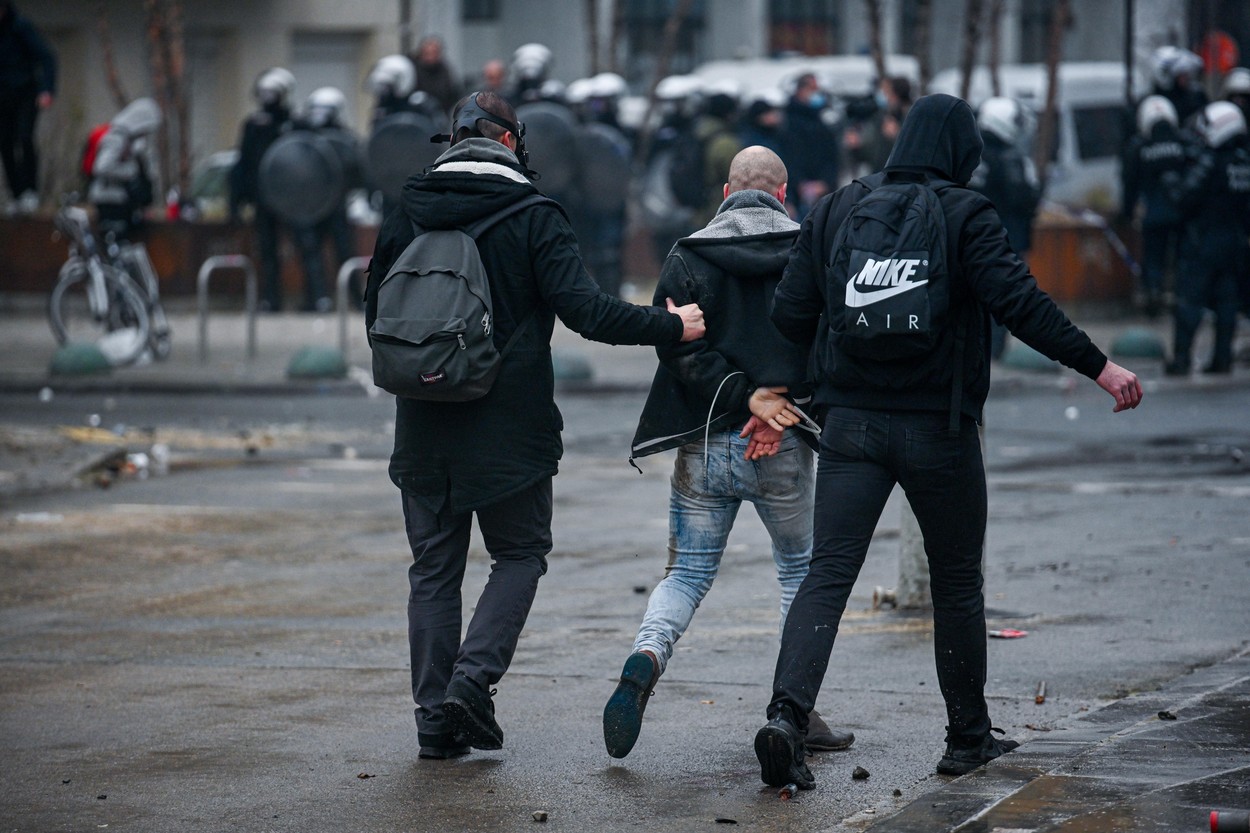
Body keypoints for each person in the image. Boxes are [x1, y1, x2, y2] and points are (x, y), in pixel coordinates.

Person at [753, 93, 1143, 790]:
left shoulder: (841, 206)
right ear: (964, 152)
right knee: (958, 581)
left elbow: (789, 309)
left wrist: (799, 381)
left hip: (850, 427)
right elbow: (1020, 304)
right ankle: (967, 738)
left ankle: (786, 718)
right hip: (942, 428)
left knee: (828, 574)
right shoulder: (968, 213)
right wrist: (1101, 366)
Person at [363, 90, 706, 760]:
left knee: (433, 569)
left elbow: (377, 310)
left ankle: (435, 721)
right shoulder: (532, 213)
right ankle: (472, 679)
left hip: (422, 423)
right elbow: (588, 312)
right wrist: (673, 324)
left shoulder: (407, 207)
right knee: (519, 553)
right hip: (508, 426)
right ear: (511, 143)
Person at [602, 146, 854, 760]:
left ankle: (645, 658)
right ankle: (795, 711)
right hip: (784, 441)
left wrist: (742, 402)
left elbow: (680, 350)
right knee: (801, 572)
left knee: (686, 574)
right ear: (784, 193)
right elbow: (826, 342)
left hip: (705, 441)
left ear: (724, 192)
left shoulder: (689, 254)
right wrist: (773, 409)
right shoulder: (811, 250)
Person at [1163, 101, 1250, 376]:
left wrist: (1170, 178)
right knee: (1227, 303)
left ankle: (1181, 360)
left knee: (1190, 302)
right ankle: (1222, 359)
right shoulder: (1243, 163)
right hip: (1235, 243)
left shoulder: (1211, 162)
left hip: (1203, 242)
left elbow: (1184, 197)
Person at [969, 96, 1042, 353]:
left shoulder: (970, 154)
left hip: (971, 238)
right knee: (1003, 293)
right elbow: (1024, 199)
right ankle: (995, 347)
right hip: (1006, 236)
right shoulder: (1009, 159)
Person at [230, 67, 296, 312]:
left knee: (302, 245)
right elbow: (243, 162)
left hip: (290, 196)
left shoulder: (291, 122)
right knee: (266, 250)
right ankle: (271, 298)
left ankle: (313, 296)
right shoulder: (253, 125)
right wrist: (237, 199)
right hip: (262, 196)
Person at [1120, 95, 1188, 318]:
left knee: (1153, 258)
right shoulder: (1183, 143)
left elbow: (1130, 184)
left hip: (1153, 214)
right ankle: (1180, 297)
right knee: (1181, 258)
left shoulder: (1140, 147)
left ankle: (1154, 294)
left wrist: (1127, 213)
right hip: (1181, 213)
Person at [0, 0, 56, 213]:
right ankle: (15, 194)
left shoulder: (20, 27)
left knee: (23, 138)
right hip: (3, 96)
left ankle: (30, 190)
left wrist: (47, 89)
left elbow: (47, 57)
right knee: (5, 143)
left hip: (25, 94)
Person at [88, 97, 160, 242]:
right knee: (115, 241)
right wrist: (130, 172)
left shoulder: (131, 140)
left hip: (121, 201)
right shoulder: (117, 137)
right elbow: (101, 167)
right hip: (109, 200)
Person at [781, 73, 839, 221]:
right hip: (796, 192)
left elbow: (831, 155)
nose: (816, 94)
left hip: (823, 190)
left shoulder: (824, 118)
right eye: (812, 89)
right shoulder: (788, 121)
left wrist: (826, 182)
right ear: (800, 90)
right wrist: (797, 185)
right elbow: (787, 157)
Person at [410, 35, 461, 116]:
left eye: (434, 53)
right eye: (427, 53)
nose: (430, 57)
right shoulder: (411, 69)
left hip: (438, 115)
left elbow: (452, 93)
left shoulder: (445, 71)